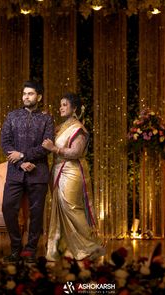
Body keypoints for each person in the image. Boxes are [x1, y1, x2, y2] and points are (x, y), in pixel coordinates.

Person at [42, 93, 105, 261]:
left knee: (71, 207)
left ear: (74, 108)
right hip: (58, 170)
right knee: (60, 207)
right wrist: (46, 120)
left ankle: (90, 245)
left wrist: (54, 149)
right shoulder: (62, 127)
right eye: (60, 104)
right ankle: (65, 248)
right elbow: (47, 137)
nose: (61, 107)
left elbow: (76, 152)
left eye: (65, 104)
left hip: (71, 171)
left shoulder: (78, 128)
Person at [1, 80, 54, 263]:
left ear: (39, 97)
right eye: (24, 93)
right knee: (8, 208)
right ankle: (16, 249)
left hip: (38, 173)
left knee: (37, 213)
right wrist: (22, 162)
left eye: (30, 94)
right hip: (16, 172)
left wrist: (23, 155)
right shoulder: (12, 116)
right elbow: (5, 143)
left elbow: (47, 146)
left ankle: (30, 250)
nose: (26, 97)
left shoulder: (47, 119)